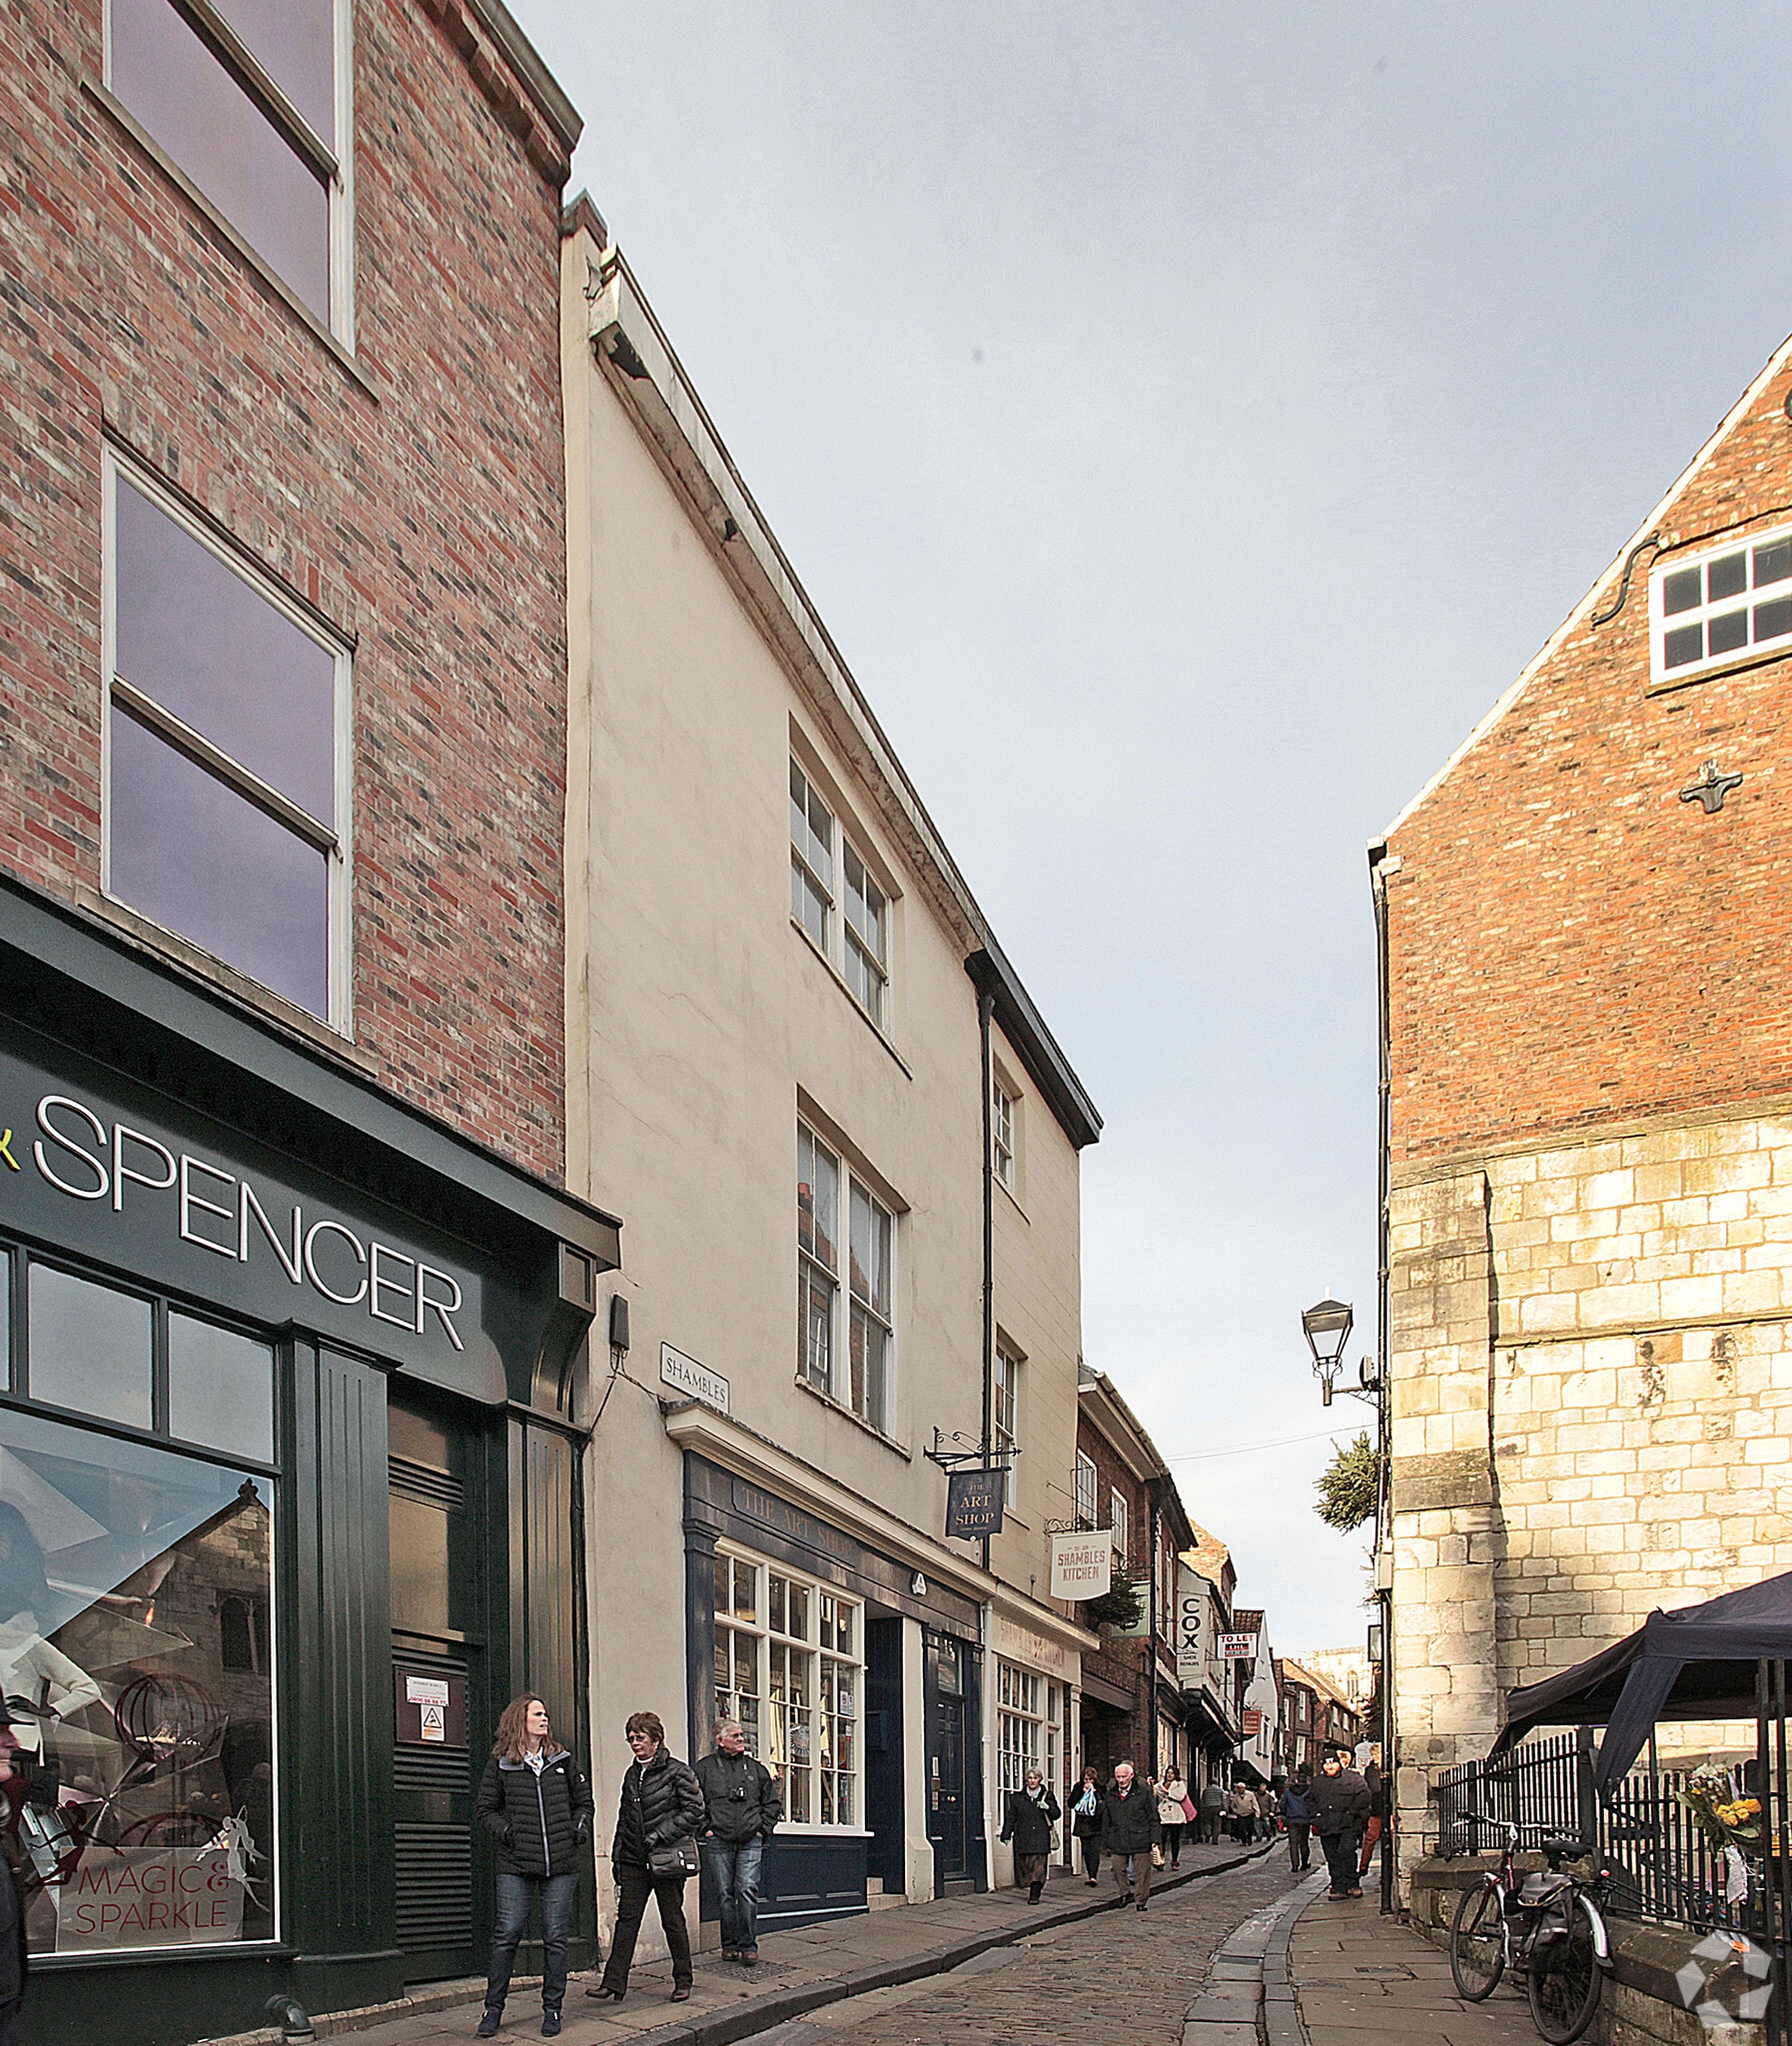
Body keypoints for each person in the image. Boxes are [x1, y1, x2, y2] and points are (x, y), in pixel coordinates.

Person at [473, 1694, 593, 2039]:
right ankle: (492, 2009)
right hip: (515, 1862)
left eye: (545, 1714)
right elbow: (486, 1810)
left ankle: (552, 2009)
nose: (545, 1718)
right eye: (537, 1713)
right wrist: (509, 1833)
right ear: (520, 1720)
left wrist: (578, 1831)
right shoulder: (501, 1763)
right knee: (507, 1935)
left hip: (561, 1862)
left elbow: (583, 1802)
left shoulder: (562, 1759)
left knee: (556, 1938)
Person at [586, 1711, 706, 2005]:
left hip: (665, 1858)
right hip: (634, 1859)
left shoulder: (678, 1772)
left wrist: (659, 1834)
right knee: (627, 1921)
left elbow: (695, 1811)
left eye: (640, 1738)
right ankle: (613, 1983)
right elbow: (624, 1817)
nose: (634, 1743)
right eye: (631, 1738)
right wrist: (617, 1856)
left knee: (672, 1920)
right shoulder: (631, 1773)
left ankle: (683, 1980)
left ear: (656, 1739)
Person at [693, 1718, 781, 1965]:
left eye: (742, 1735)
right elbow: (693, 1802)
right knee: (724, 1893)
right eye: (735, 1736)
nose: (741, 1739)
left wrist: (762, 1829)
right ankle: (729, 1945)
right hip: (718, 1839)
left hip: (750, 1839)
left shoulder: (756, 1769)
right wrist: (705, 1829)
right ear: (720, 1741)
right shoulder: (705, 1769)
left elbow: (772, 1803)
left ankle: (748, 1945)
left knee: (747, 1890)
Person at [1099, 1758, 1161, 1911]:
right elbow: (1106, 1819)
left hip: (1140, 1837)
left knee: (1142, 1873)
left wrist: (1155, 1839)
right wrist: (1105, 1841)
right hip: (1118, 1837)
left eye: (1123, 1777)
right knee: (1118, 1869)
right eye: (1118, 1777)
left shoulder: (1143, 1793)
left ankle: (1140, 1901)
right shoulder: (1111, 1795)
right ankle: (1125, 1893)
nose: (1121, 1780)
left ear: (1131, 1776)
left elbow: (1153, 1817)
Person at [1309, 1750, 1371, 1900]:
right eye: (1326, 1763)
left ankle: (1352, 1884)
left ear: (1339, 1763)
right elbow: (1310, 1801)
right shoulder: (1317, 1782)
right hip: (1327, 1825)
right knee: (1333, 1857)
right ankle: (1338, 1887)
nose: (1329, 1766)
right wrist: (1316, 1816)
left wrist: (1352, 1813)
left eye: (1332, 1762)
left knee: (1347, 1852)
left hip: (1348, 1824)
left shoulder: (1353, 1779)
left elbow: (1364, 1795)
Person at [1000, 1765, 1061, 1903]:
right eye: (1030, 1778)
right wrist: (1006, 1833)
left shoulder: (1047, 1796)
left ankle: (1035, 1894)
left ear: (1040, 1780)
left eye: (1035, 1778)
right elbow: (1011, 1817)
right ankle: (1031, 1885)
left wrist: (1048, 1807)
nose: (1032, 1781)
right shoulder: (1017, 1798)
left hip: (1040, 1836)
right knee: (1026, 1867)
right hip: (1023, 1836)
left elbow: (1056, 1814)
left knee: (1039, 1868)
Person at [1070, 1765, 1103, 1884]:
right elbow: (1071, 1803)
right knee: (1087, 1850)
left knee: (1094, 1850)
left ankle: (1093, 1876)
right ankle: (1090, 1873)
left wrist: (1094, 1793)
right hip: (1083, 1824)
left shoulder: (1099, 1788)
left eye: (1091, 1780)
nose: (1088, 1782)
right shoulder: (1078, 1787)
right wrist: (1081, 1793)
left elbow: (1103, 1804)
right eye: (1086, 1779)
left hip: (1096, 1824)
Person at [1357, 1753, 1386, 1883]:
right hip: (1377, 1809)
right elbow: (1375, 1788)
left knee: (1390, 1839)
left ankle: (1388, 1869)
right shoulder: (1371, 1772)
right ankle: (1363, 1866)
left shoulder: (1388, 1768)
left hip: (1389, 1809)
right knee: (1371, 1838)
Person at [1281, 1767, 1315, 1873]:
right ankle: (1304, 1863)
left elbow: (1282, 1805)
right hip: (1305, 1819)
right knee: (1304, 1842)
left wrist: (1286, 1813)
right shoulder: (1310, 1791)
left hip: (1292, 1819)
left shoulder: (1288, 1791)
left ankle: (1294, 1865)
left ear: (1297, 1780)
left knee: (1293, 1843)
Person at [1155, 1766, 1189, 1870]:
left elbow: (1180, 1796)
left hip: (1175, 1814)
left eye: (1172, 1773)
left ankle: (1174, 1860)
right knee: (1161, 1839)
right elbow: (1154, 1792)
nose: (1169, 1775)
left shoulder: (1179, 1784)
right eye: (1168, 1773)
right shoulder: (1161, 1784)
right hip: (1163, 1813)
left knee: (1175, 1839)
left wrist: (1167, 1792)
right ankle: (1160, 1860)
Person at [1198, 1775, 1225, 1845]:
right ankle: (1215, 1839)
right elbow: (1223, 1800)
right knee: (1217, 1824)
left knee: (1207, 1822)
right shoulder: (1220, 1790)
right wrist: (1224, 1809)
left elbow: (1202, 1800)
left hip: (1207, 1807)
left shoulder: (1206, 1790)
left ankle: (1208, 1833)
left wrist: (1202, 1808)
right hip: (1217, 1807)